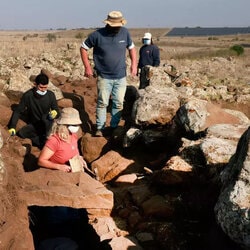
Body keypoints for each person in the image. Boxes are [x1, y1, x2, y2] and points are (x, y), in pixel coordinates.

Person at [80, 10, 137, 137]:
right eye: (114, 26)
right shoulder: (97, 35)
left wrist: (134, 65)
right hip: (104, 76)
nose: (117, 29)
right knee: (102, 103)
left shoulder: (125, 33)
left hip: (120, 75)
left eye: (118, 26)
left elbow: (132, 48)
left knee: (118, 102)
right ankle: (100, 128)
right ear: (108, 24)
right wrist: (87, 67)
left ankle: (114, 127)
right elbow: (83, 48)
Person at [7, 73, 59, 149]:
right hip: (34, 124)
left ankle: (45, 141)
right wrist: (12, 126)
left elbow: (56, 110)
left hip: (47, 123)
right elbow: (18, 111)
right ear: (35, 84)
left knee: (48, 123)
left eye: (45, 87)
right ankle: (39, 141)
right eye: (41, 87)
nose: (43, 90)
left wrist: (55, 113)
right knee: (21, 133)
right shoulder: (28, 95)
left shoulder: (51, 95)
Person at [38, 107, 87, 173]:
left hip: (72, 170)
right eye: (73, 125)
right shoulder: (54, 140)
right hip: (56, 173)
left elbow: (75, 151)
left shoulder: (73, 135)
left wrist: (79, 158)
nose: (76, 127)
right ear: (64, 125)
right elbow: (41, 161)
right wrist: (59, 167)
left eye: (77, 125)